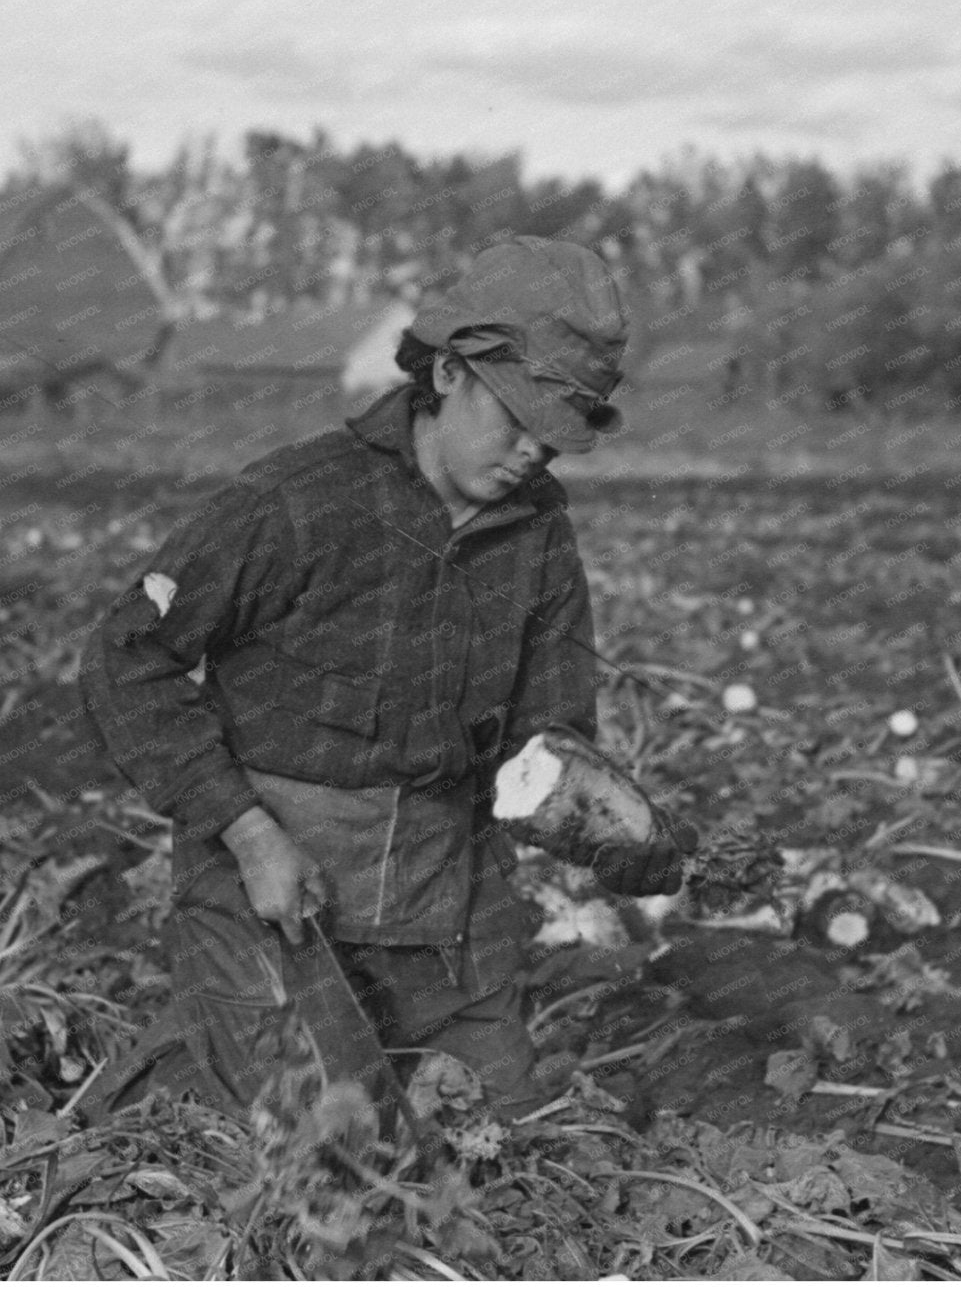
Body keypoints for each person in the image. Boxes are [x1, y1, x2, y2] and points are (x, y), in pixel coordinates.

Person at [80, 237, 688, 1124]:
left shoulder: (538, 538)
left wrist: (631, 833)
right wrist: (247, 834)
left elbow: (549, 739)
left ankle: (275, 1042)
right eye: (514, 420)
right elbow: (127, 656)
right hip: (277, 891)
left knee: (503, 1134)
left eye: (552, 438)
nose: (530, 455)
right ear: (447, 373)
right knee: (352, 1156)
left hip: (444, 906)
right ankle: (197, 1052)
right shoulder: (297, 502)